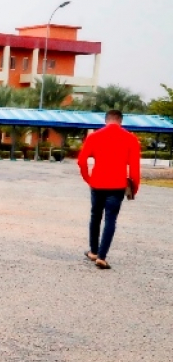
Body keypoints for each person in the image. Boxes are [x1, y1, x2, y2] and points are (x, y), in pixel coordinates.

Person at [78, 109, 141, 270]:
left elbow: (81, 160)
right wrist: (134, 187)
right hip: (117, 185)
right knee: (110, 219)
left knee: (95, 216)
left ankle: (93, 250)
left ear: (106, 120)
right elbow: (134, 168)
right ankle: (102, 257)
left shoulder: (94, 136)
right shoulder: (131, 139)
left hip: (97, 183)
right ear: (120, 121)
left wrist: (88, 179)